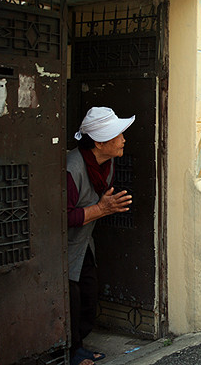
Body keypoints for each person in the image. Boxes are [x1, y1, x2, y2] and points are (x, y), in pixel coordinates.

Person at [67, 107, 135, 365]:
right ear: (99, 141)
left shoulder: (107, 164)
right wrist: (100, 209)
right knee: (71, 298)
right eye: (118, 135)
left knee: (88, 293)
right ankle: (71, 352)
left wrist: (103, 208)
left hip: (84, 242)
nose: (124, 140)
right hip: (66, 245)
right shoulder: (72, 168)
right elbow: (65, 217)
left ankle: (79, 346)